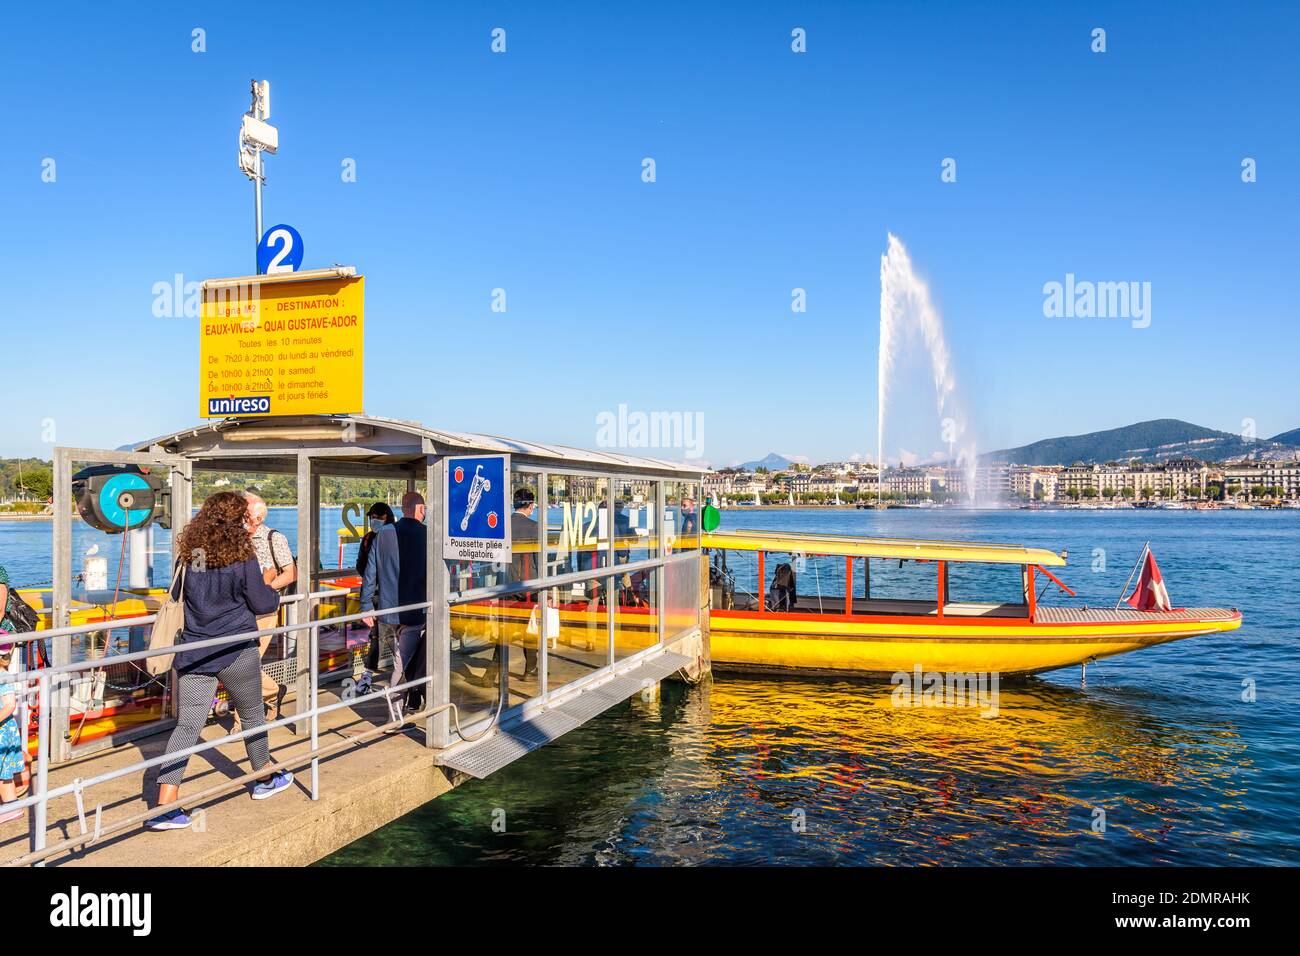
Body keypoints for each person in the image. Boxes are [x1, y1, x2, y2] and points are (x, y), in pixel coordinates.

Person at [146, 492, 293, 831]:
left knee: (187, 726)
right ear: (236, 521)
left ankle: (164, 807)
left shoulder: (194, 554)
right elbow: (263, 604)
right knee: (254, 713)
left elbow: (195, 596)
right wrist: (269, 588)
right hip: (236, 647)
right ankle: (264, 778)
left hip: (195, 649)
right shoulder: (243, 557)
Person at [241, 493, 297, 715]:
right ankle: (274, 692)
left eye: (246, 515)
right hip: (239, 610)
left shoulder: (274, 538)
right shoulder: (235, 538)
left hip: (264, 611)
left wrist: (265, 589)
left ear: (259, 518)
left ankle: (242, 721)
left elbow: (290, 573)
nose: (243, 520)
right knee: (240, 664)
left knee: (247, 664)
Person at [358, 502, 398, 695]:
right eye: (373, 517)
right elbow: (362, 567)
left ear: (387, 518)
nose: (375, 521)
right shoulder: (367, 539)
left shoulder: (390, 537)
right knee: (378, 635)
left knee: (384, 635)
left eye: (379, 517)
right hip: (376, 596)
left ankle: (370, 674)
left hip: (386, 595)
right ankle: (370, 674)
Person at [393, 492, 428, 715]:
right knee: (403, 660)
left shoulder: (388, 532)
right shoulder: (426, 534)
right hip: (416, 607)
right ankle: (394, 713)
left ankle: (413, 698)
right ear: (420, 509)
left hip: (389, 608)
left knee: (406, 655)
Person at [0, 643, 22, 824]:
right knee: (3, 772)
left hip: (2, 730)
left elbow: (10, 704)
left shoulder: (4, 677)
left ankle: (11, 807)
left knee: (3, 770)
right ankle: (11, 805)